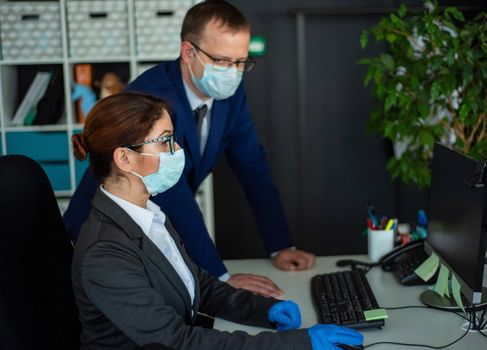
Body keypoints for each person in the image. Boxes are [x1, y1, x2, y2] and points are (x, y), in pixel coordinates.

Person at [70, 92, 364, 349]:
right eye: (165, 141)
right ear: (124, 158)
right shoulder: (104, 252)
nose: (177, 151)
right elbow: (176, 341)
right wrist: (299, 343)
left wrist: (263, 310)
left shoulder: (147, 213)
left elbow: (197, 284)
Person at [64, 0, 315, 297]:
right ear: (188, 52)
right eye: (222, 61)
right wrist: (219, 277)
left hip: (153, 228)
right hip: (103, 234)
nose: (233, 72)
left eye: (241, 62)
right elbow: (175, 195)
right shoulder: (151, 100)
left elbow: (252, 166)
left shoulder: (230, 93)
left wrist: (280, 245)